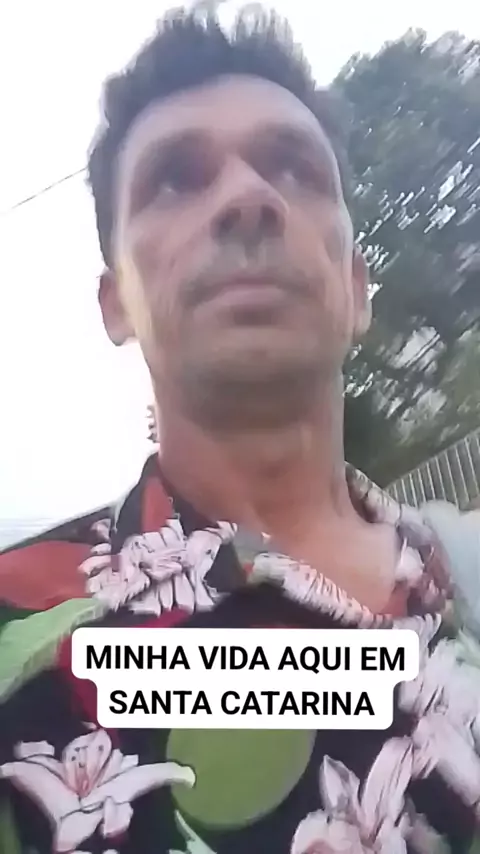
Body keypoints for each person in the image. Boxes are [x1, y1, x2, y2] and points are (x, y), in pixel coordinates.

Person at [0, 8, 479, 854]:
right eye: (175, 180)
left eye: (294, 169)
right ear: (117, 304)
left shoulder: (465, 576)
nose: (249, 198)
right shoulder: (19, 639)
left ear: (356, 288)